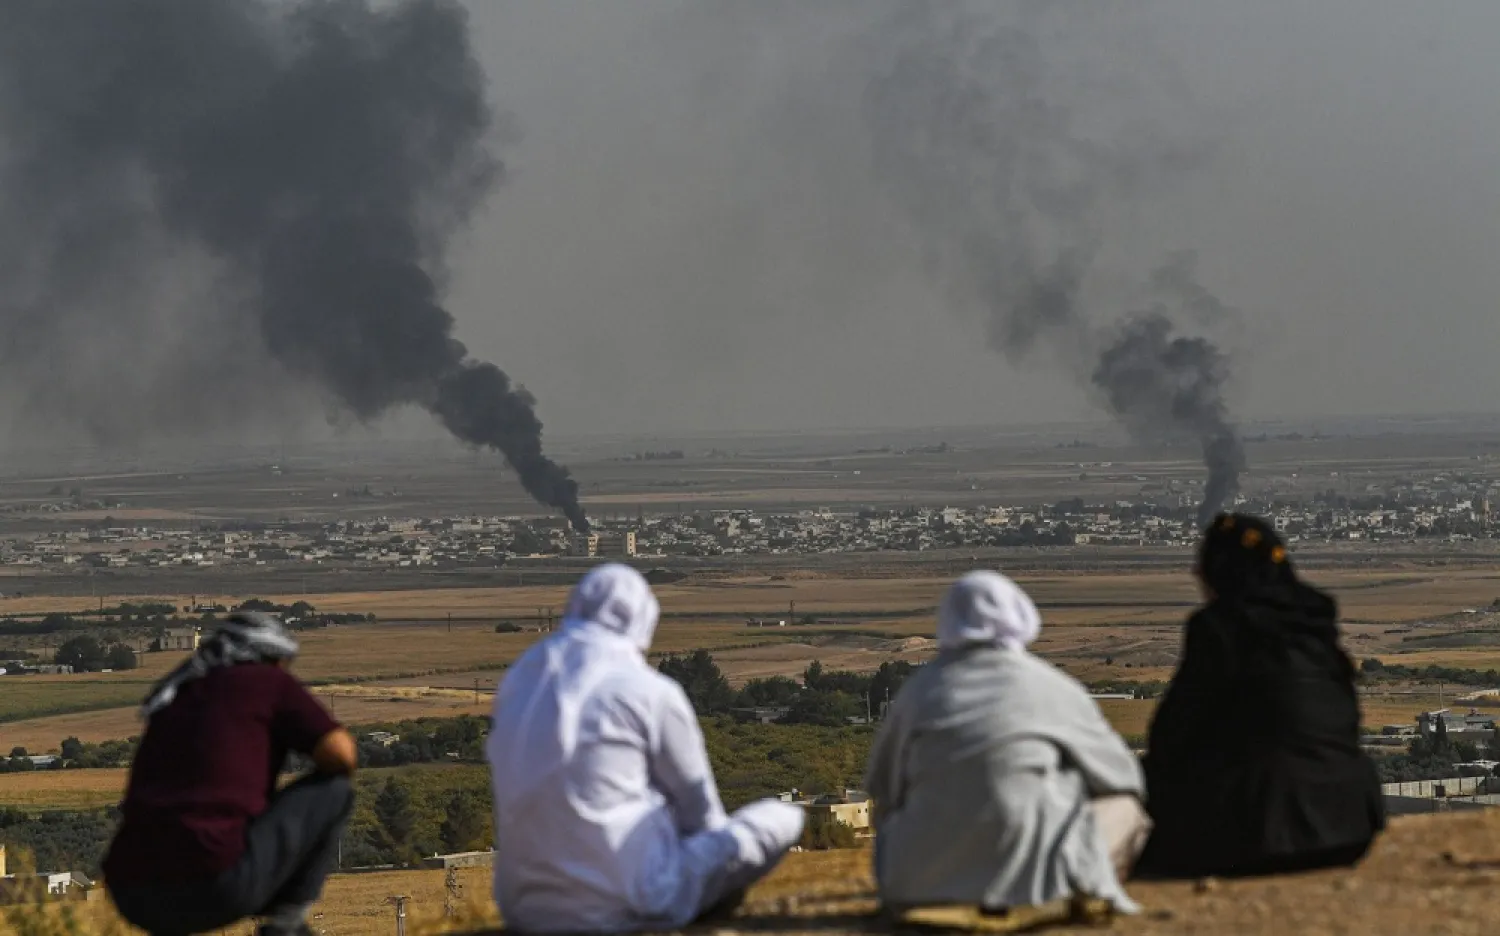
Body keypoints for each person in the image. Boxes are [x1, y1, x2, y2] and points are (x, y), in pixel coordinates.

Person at [487, 563, 805, 933]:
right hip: (629, 901)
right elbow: (701, 816)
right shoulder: (649, 691)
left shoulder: (518, 681)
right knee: (783, 818)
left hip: (524, 907)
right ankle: (706, 906)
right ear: (642, 620)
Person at [866, 571, 1149, 916]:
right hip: (1034, 877)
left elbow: (884, 788)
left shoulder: (919, 691)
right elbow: (1122, 777)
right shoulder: (1051, 686)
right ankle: (1074, 884)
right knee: (1125, 807)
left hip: (918, 882)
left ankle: (937, 888)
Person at [1137, 513, 1385, 878]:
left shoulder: (1220, 627)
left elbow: (1172, 736)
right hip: (1349, 823)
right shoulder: (1315, 621)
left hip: (1263, 834)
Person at [104, 612, 357, 936]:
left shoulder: (177, 694)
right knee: (335, 789)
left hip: (131, 891)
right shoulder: (266, 681)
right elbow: (341, 754)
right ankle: (286, 924)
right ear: (272, 657)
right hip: (216, 882)